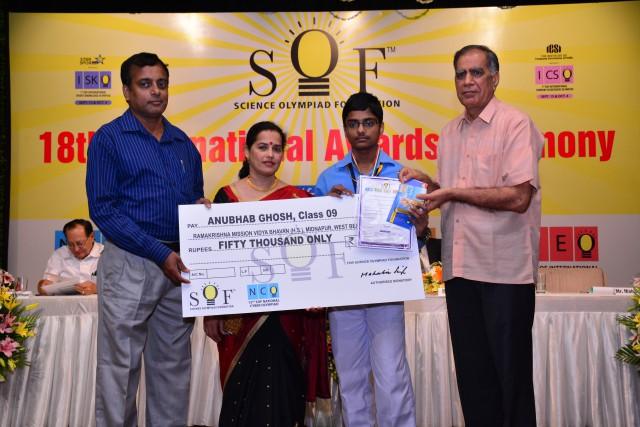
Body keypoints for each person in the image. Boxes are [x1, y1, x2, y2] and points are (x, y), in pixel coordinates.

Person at [401, 45, 543, 426]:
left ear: (494, 78)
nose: (467, 81)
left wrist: (451, 193)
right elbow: (453, 193)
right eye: (460, 74)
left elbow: (518, 197)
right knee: (474, 383)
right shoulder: (449, 133)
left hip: (505, 274)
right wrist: (428, 185)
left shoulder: (516, 124)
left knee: (511, 383)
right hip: (460, 272)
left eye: (476, 73)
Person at [86, 52, 209, 427]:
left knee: (173, 367)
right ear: (126, 91)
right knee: (120, 367)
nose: (156, 91)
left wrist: (201, 210)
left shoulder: (182, 143)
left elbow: (193, 198)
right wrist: (159, 253)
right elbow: (104, 210)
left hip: (178, 265)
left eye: (161, 84)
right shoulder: (109, 139)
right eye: (145, 84)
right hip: (131, 261)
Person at [203, 121, 330, 427]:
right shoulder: (226, 197)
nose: (270, 154)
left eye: (276, 148)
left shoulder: (298, 199)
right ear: (247, 152)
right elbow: (215, 260)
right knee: (240, 391)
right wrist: (211, 311)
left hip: (287, 315)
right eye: (262, 147)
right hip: (240, 315)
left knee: (283, 392)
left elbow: (310, 259)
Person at [313, 92, 426, 426]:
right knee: (351, 381)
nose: (361, 130)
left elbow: (417, 235)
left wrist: (420, 224)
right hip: (344, 296)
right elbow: (317, 240)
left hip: (385, 290)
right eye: (353, 124)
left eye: (368, 123)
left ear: (380, 127)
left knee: (392, 377)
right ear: (345, 129)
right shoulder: (328, 179)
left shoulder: (402, 176)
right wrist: (327, 206)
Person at [37, 219, 103, 295]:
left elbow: (114, 287)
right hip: (65, 302)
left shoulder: (105, 254)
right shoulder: (59, 255)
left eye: (80, 243)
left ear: (92, 237)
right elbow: (45, 286)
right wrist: (44, 287)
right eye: (70, 244)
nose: (76, 249)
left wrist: (97, 289)